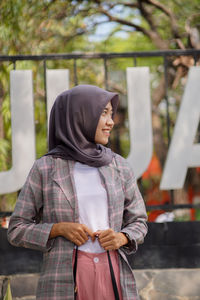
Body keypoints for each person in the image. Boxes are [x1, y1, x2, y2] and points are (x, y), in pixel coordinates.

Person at [7, 85, 148, 300]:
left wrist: (122, 237)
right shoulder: (45, 168)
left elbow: (139, 221)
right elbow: (16, 229)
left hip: (113, 274)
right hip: (63, 278)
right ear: (80, 116)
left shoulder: (119, 166)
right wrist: (57, 229)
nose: (111, 122)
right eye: (103, 114)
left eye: (111, 114)